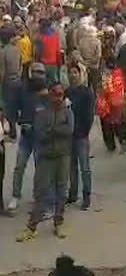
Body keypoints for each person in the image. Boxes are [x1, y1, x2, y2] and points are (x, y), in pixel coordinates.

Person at [17, 82, 73, 242]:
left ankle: (58, 223)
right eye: (55, 93)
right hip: (46, 157)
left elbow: (69, 131)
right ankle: (32, 227)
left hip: (63, 156)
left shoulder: (68, 112)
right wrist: (57, 131)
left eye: (60, 94)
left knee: (62, 192)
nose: (58, 97)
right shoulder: (42, 112)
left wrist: (52, 130)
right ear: (50, 94)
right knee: (40, 192)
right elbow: (40, 133)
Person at [8, 63, 48, 213]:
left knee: (40, 169)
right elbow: (14, 107)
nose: (37, 75)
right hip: (26, 134)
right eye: (35, 72)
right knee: (19, 166)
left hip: (40, 136)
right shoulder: (23, 89)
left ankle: (39, 198)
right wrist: (18, 121)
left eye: (40, 72)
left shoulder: (47, 90)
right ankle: (15, 196)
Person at [66, 64, 94, 210]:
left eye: (75, 72)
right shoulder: (66, 92)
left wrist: (85, 131)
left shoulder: (86, 92)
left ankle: (87, 194)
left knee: (84, 167)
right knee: (71, 166)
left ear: (80, 74)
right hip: (69, 135)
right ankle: (73, 193)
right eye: (70, 72)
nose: (72, 75)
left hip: (81, 135)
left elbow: (89, 115)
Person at [0, 26, 22, 141]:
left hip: (8, 82)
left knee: (7, 107)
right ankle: (13, 130)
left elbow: (2, 72)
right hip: (17, 80)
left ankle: (12, 132)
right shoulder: (16, 49)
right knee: (13, 106)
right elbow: (20, 65)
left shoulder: (3, 52)